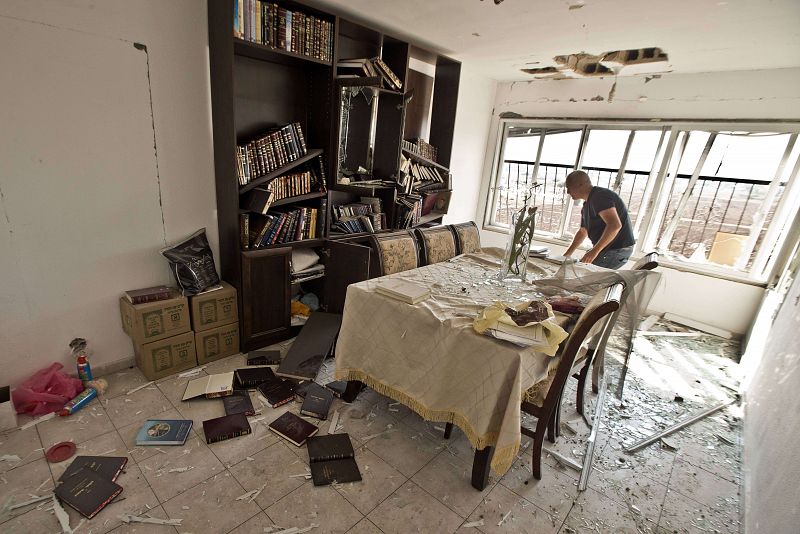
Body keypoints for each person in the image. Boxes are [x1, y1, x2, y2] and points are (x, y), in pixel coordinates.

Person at [563, 170, 635, 269]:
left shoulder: (600, 196)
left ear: (580, 185)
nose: (567, 192)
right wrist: (567, 255)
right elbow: (582, 231)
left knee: (581, 276)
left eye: (569, 187)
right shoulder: (586, 205)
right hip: (608, 250)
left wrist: (594, 251)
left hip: (616, 250)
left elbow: (614, 225)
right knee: (577, 270)